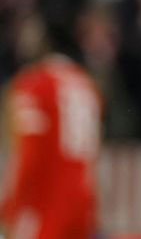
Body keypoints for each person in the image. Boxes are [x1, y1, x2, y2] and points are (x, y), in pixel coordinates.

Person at [0, 16, 102, 239]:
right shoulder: (86, 83)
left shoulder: (35, 83)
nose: (23, 39)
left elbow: (30, 155)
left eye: (29, 32)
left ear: (45, 38)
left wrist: (10, 209)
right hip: (83, 204)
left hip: (46, 204)